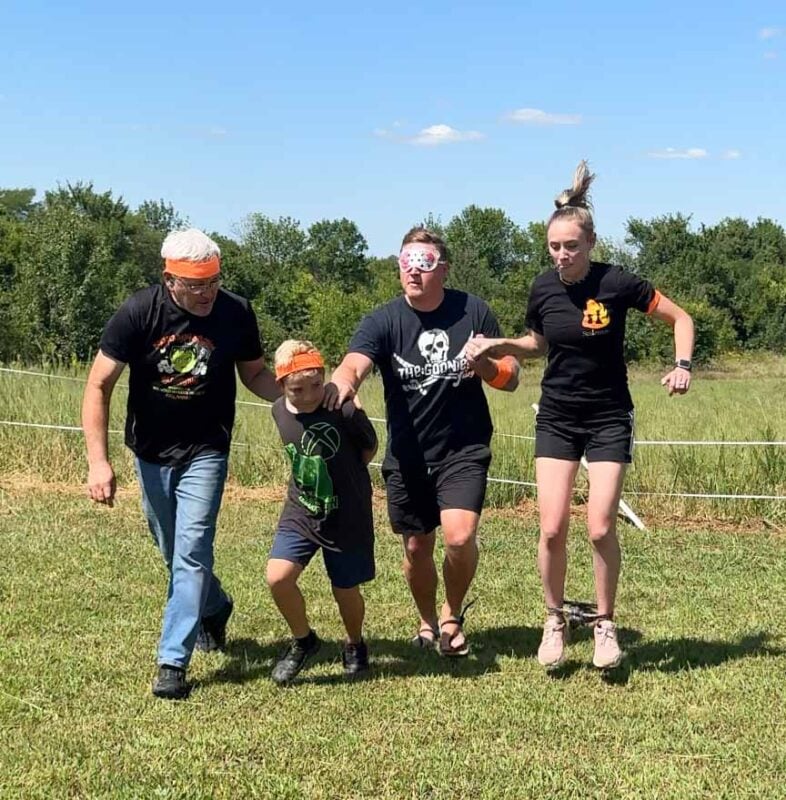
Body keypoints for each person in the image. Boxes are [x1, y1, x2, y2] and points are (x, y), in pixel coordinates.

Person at [465, 161, 695, 670]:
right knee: (550, 528)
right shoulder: (543, 288)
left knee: (598, 525)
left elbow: (681, 318)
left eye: (571, 246)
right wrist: (500, 343)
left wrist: (682, 365)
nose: (562, 255)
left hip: (610, 415)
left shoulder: (618, 283)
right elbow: (536, 343)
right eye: (554, 246)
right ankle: (554, 621)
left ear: (590, 244)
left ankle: (605, 626)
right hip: (557, 416)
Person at [82, 228, 281, 700]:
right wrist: (98, 462)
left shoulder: (235, 312)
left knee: (191, 550)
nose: (207, 292)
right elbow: (98, 386)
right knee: (173, 551)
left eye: (213, 281)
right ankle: (214, 604)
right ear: (170, 279)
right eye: (196, 284)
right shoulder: (138, 313)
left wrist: (294, 399)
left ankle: (173, 660)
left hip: (206, 449)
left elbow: (252, 373)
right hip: (149, 450)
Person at [328, 227, 520, 657]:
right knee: (417, 546)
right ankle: (427, 621)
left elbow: (512, 377)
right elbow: (353, 364)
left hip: (463, 447)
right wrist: (342, 385)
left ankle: (451, 615)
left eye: (424, 264)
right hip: (408, 453)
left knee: (458, 536)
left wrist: (485, 367)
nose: (413, 273)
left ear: (443, 269)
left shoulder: (473, 311)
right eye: (405, 263)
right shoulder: (383, 320)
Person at [266, 340, 378, 685]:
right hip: (301, 510)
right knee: (278, 577)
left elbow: (369, 447)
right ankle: (304, 641)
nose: (310, 395)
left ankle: (355, 644)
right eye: (298, 389)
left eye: (316, 385)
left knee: (345, 589)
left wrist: (345, 479)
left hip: (347, 514)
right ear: (281, 384)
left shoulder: (341, 408)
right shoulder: (278, 410)